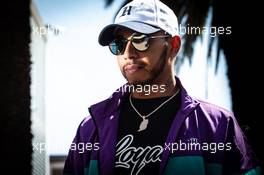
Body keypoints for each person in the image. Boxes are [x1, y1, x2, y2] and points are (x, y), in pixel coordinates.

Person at [63, 0, 260, 174]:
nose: (128, 53)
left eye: (141, 40)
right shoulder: (90, 129)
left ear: (173, 45)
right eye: (119, 43)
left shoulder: (218, 125)